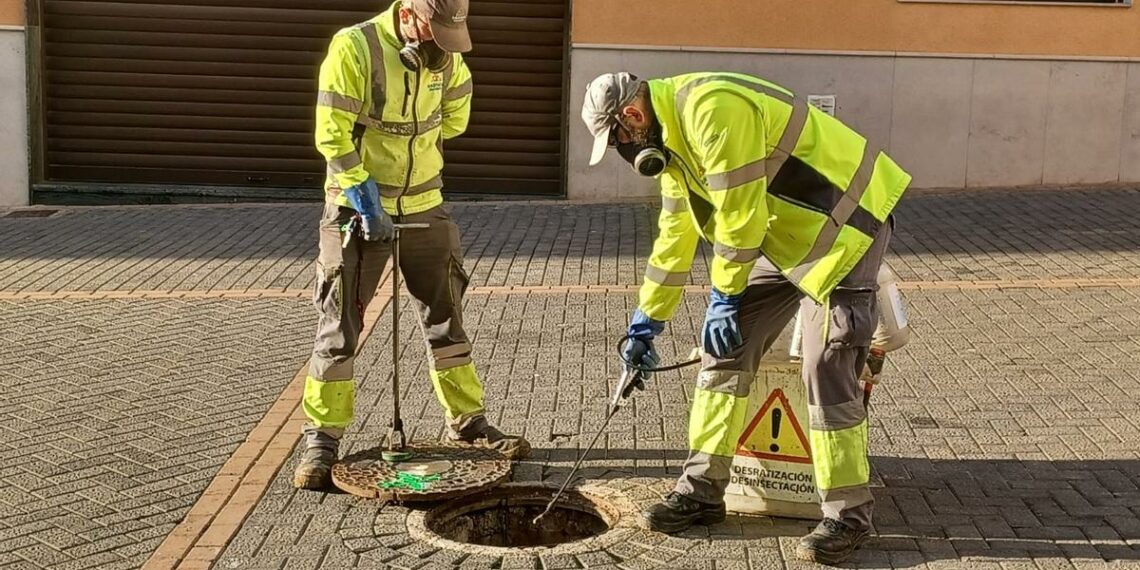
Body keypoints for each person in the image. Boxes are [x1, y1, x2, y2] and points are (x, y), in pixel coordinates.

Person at [581, 71, 910, 564]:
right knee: (723, 351)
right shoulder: (672, 144)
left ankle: (848, 515)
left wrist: (725, 297)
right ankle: (701, 491)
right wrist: (646, 322)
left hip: (845, 229)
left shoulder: (711, 108)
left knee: (826, 364)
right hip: (781, 239)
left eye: (619, 140)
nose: (625, 152)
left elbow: (739, 216)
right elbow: (674, 239)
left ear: (632, 115)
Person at [295, 0, 530, 490]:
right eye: (435, 31)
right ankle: (322, 439)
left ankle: (468, 424)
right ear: (410, 14)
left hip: (426, 205)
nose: (441, 45)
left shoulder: (447, 55)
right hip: (357, 208)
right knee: (339, 326)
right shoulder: (354, 47)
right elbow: (330, 133)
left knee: (448, 320)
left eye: (450, 35)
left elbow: (456, 118)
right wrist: (363, 194)